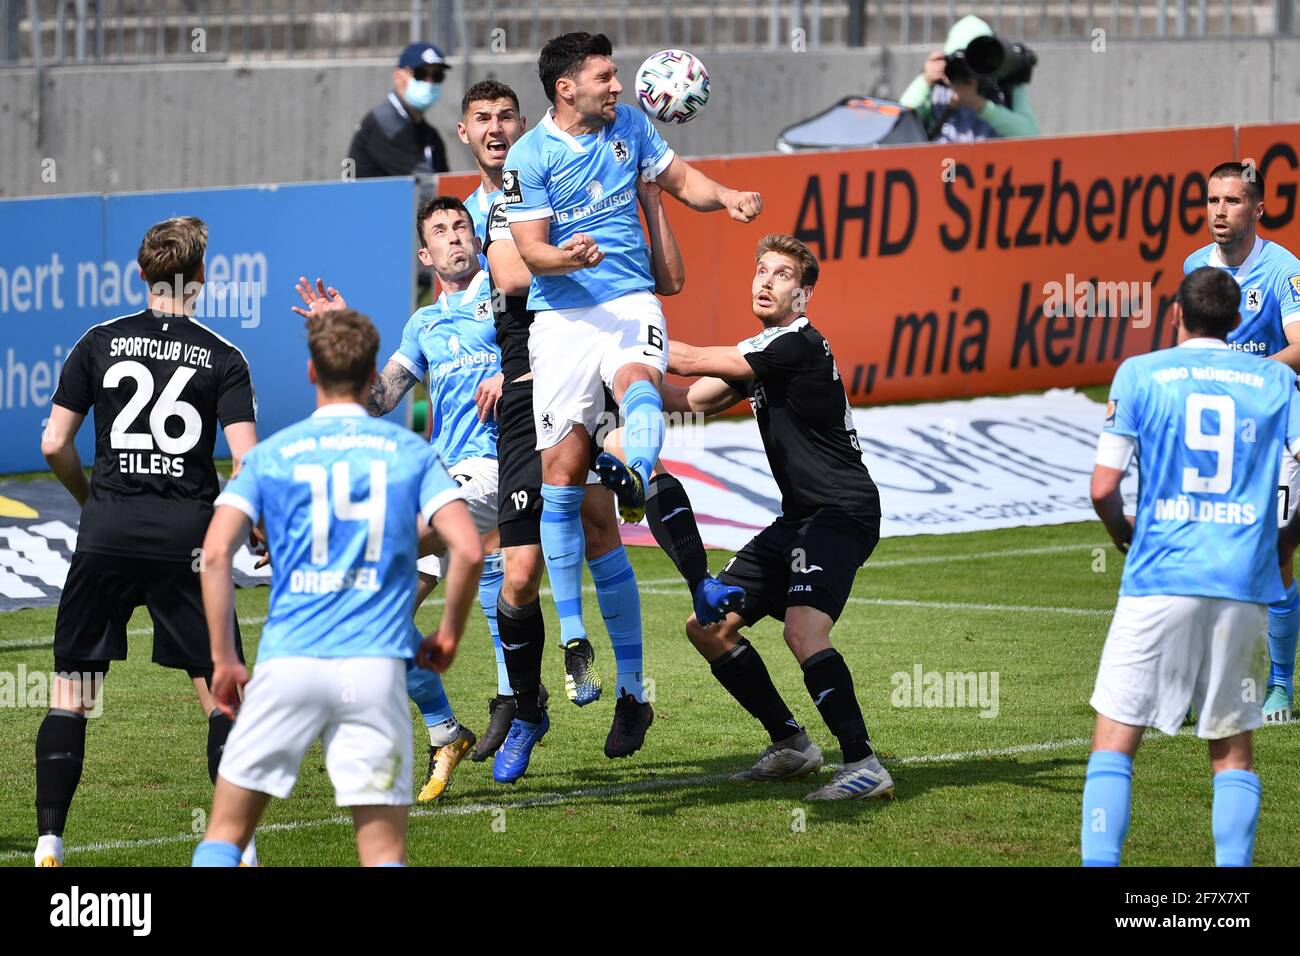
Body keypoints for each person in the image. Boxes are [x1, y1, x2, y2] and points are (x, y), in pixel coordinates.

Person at [501, 31, 762, 772]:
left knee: (640, 384)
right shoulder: (530, 157)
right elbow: (532, 250)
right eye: (606, 77)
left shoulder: (633, 129)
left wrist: (729, 198)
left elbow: (685, 182)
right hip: (560, 317)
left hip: (626, 302)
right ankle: (576, 635)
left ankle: (639, 471)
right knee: (561, 470)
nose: (618, 87)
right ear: (566, 88)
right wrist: (568, 255)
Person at [191, 309, 482, 867]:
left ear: (309, 373)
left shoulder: (272, 455)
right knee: (380, 852)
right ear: (375, 371)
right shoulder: (411, 454)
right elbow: (467, 548)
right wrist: (446, 634)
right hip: (374, 669)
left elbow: (216, 554)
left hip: (288, 664)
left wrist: (224, 658)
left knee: (224, 835)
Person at [34, 216, 260, 866]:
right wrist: (254, 528)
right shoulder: (222, 356)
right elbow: (247, 465)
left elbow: (53, 442)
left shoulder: (99, 341)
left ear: (141, 273)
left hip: (107, 531)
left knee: (72, 693)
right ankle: (239, 850)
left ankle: (50, 840)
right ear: (204, 277)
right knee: (222, 694)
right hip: (188, 538)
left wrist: (90, 500)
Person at [660, 234, 894, 801]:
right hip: (798, 521)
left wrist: (613, 331)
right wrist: (604, 385)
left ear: (804, 294)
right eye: (761, 270)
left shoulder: (798, 344)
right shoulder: (763, 348)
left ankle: (864, 764)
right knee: (708, 627)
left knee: (803, 629)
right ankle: (792, 743)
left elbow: (688, 358)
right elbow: (689, 398)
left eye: (782, 274)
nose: (765, 281)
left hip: (841, 512)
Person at [1084, 267, 1300, 867]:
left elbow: (1103, 487)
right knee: (1231, 748)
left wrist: (1126, 536)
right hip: (1242, 583)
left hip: (1158, 577)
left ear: (1176, 314)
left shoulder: (1141, 373)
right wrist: (1285, 544)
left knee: (1116, 740)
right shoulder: (1274, 380)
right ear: (1237, 323)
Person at [293, 196, 501, 802]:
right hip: (438, 477)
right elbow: (381, 398)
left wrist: (512, 373)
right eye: (440, 231)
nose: (455, 236)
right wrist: (341, 327)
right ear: (425, 253)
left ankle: (531, 699)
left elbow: (547, 349)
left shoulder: (505, 295)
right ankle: (445, 732)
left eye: (462, 225)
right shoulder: (423, 325)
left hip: (490, 471)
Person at [1184, 160, 1300, 724]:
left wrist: (1243, 375)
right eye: (1212, 201)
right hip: (1217, 432)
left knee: (1275, 557)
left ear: (1258, 208)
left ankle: (1280, 684)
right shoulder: (1194, 267)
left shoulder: (1284, 269)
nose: (1219, 212)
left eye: (1232, 201)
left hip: (1278, 427)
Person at [898, 14, 1038, 143]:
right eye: (959, 63)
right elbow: (897, 125)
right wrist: (924, 80)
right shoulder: (936, 88)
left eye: (978, 62)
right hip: (944, 167)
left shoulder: (1005, 85)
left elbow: (1030, 135)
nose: (968, 71)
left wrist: (979, 104)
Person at [347, 42, 451, 181]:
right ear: (398, 76)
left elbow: (445, 185)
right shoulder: (384, 124)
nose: (430, 82)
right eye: (421, 74)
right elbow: (426, 186)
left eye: (437, 76)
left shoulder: (430, 135)